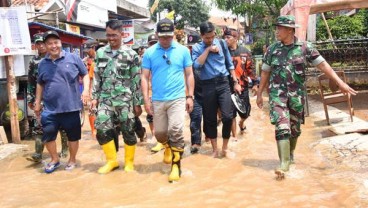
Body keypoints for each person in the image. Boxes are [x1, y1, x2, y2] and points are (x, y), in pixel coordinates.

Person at [256, 15, 357, 180]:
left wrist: (340, 83)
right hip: (277, 96)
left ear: (290, 30)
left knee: (294, 130)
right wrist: (260, 93)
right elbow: (265, 71)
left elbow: (324, 65)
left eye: (280, 28)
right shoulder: (272, 50)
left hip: (297, 97)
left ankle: (290, 154)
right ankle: (284, 164)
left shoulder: (305, 48)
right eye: (277, 27)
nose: (277, 31)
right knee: (282, 127)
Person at [141, 18, 194, 182]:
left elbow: (189, 74)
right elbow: (144, 77)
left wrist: (190, 96)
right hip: (157, 99)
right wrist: (146, 99)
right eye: (162, 37)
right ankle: (167, 147)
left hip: (177, 98)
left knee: (176, 130)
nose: (165, 40)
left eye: (168, 36)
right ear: (156, 35)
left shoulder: (183, 51)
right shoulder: (149, 53)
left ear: (173, 34)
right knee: (160, 134)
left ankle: (176, 167)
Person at [91, 19, 143, 174]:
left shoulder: (131, 54)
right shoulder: (100, 53)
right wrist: (94, 97)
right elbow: (97, 77)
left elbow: (136, 80)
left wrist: (137, 102)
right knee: (101, 130)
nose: (111, 38)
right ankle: (112, 161)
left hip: (125, 100)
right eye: (108, 35)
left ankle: (129, 163)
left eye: (114, 35)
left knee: (128, 130)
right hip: (105, 99)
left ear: (122, 34)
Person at [34, 30, 90, 173]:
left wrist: (86, 91)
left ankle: (72, 160)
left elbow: (85, 75)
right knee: (48, 135)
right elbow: (40, 84)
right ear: (45, 46)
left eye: (56, 42)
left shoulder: (73, 58)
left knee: (73, 137)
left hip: (71, 107)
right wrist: (37, 102)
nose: (53, 46)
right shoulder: (42, 64)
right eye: (49, 43)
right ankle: (55, 159)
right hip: (50, 109)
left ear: (60, 43)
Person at [192, 21, 242, 158]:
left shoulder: (221, 43)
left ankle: (225, 147)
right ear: (201, 36)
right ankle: (215, 149)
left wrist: (235, 81)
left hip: (223, 83)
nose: (210, 39)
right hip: (207, 85)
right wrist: (207, 50)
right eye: (207, 38)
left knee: (227, 116)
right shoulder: (197, 48)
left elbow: (229, 63)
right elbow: (196, 65)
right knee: (209, 118)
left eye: (212, 36)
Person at [26, 33, 69, 163]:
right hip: (41, 100)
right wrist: (31, 98)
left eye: (42, 43)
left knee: (62, 126)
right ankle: (38, 153)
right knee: (38, 125)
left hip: (57, 99)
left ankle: (65, 149)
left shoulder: (58, 58)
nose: (40, 46)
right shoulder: (34, 61)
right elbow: (31, 81)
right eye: (38, 43)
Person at [223, 27, 258, 138]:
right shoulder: (223, 53)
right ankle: (234, 138)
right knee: (231, 115)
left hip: (243, 87)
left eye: (228, 37)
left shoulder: (245, 52)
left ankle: (241, 123)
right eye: (225, 37)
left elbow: (251, 69)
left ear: (235, 38)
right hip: (227, 88)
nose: (225, 40)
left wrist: (256, 84)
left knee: (245, 113)